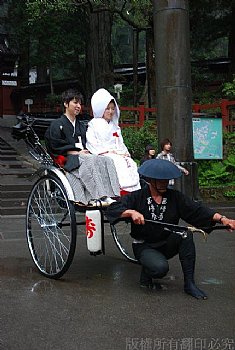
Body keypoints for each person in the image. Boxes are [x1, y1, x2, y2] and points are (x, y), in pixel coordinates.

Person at [106, 159, 235, 299]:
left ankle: (189, 284)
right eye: (160, 180)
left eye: (166, 180)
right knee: (160, 269)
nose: (164, 183)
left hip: (166, 242)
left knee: (186, 234)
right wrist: (131, 213)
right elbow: (113, 208)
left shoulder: (175, 197)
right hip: (144, 246)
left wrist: (223, 219)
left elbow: (198, 210)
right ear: (150, 180)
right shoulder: (137, 196)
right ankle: (147, 272)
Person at [44, 89, 120, 206]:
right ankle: (100, 196)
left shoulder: (81, 125)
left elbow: (89, 143)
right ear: (66, 103)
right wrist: (76, 152)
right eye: (75, 103)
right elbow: (55, 145)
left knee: (107, 160)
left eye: (80, 103)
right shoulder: (57, 124)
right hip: (66, 159)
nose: (78, 106)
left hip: (83, 156)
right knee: (91, 159)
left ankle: (114, 194)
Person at [86, 88, 140, 193]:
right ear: (101, 109)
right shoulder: (93, 124)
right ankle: (120, 191)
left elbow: (120, 143)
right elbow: (92, 143)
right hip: (103, 154)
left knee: (131, 163)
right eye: (107, 109)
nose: (111, 112)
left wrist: (124, 153)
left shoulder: (115, 126)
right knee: (116, 162)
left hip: (117, 152)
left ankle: (133, 191)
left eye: (112, 108)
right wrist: (107, 151)